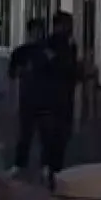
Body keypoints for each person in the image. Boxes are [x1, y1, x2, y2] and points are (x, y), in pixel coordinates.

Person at [40, 11, 81, 188]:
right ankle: (50, 170)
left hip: (62, 98)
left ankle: (54, 171)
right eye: (67, 25)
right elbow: (57, 68)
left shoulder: (69, 46)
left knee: (59, 137)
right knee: (52, 137)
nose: (70, 28)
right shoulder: (49, 45)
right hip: (51, 98)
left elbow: (70, 70)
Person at [8, 18, 49, 178]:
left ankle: (46, 165)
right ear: (30, 33)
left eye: (40, 31)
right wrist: (22, 71)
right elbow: (12, 73)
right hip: (27, 98)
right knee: (25, 133)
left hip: (45, 98)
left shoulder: (48, 51)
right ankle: (20, 164)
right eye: (35, 32)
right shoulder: (21, 52)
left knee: (46, 134)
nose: (38, 35)